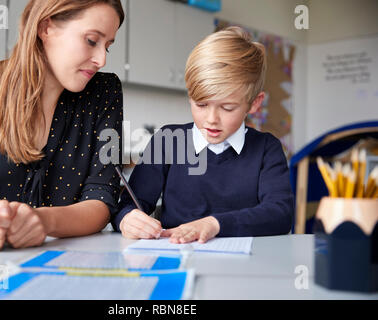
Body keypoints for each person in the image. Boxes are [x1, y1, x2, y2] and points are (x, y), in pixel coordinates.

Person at [0, 0, 125, 251]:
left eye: (108, 46)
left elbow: (102, 199)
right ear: (46, 28)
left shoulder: (104, 93)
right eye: (91, 40)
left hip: (69, 265)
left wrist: (42, 220)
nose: (101, 59)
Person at [113, 26, 294, 243]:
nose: (211, 119)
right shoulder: (168, 141)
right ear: (190, 95)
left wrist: (214, 224)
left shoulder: (267, 149)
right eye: (201, 104)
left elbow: (280, 215)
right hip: (176, 257)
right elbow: (128, 204)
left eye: (227, 108)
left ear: (254, 103)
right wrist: (127, 218)